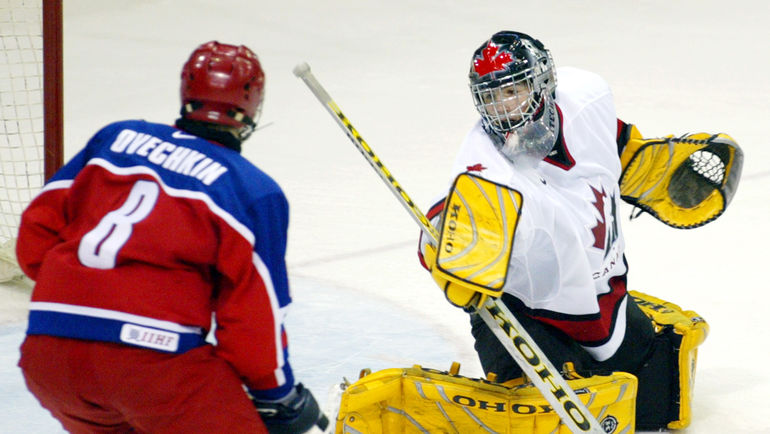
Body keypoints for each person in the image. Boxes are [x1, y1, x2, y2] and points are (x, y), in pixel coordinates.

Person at [418, 30, 740, 430]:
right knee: (544, 414)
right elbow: (447, 221)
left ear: (543, 83)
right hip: (527, 315)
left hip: (604, 300)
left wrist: (649, 167)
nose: (501, 109)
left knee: (658, 399)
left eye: (512, 91)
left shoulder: (586, 96)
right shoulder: (485, 169)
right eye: (489, 96)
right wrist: (445, 251)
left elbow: (612, 143)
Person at [16, 41, 327, 434]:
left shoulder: (113, 138)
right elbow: (253, 316)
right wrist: (277, 394)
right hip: (153, 366)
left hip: (50, 356)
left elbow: (34, 237)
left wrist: (78, 295)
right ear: (251, 107)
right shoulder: (251, 190)